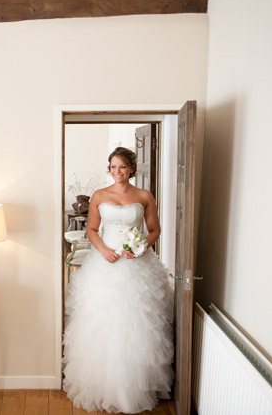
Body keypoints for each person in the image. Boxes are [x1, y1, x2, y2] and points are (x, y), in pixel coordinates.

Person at [62, 146, 174, 414]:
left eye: (122, 167)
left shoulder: (144, 196)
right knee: (104, 322)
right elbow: (90, 229)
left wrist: (140, 247)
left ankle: (133, 390)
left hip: (137, 265)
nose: (117, 172)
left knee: (137, 324)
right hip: (106, 263)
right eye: (113, 167)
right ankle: (104, 386)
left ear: (132, 169)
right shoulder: (100, 195)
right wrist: (103, 250)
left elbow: (155, 230)